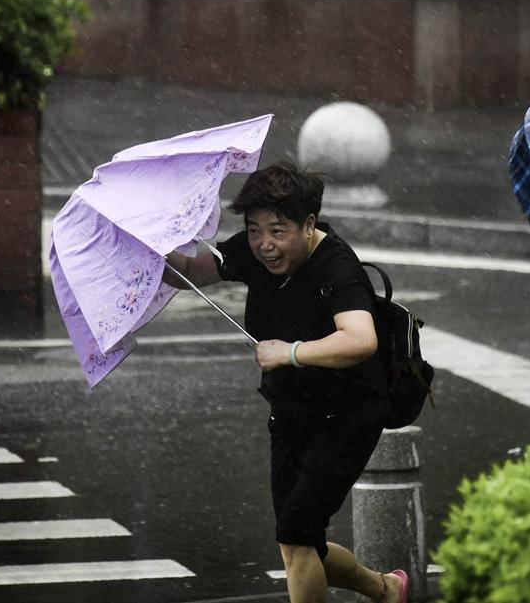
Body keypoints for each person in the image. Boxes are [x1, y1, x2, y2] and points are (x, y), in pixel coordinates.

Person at [162, 162, 409, 603]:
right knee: (297, 540)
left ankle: (386, 590)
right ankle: (386, 589)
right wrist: (146, 252)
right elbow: (192, 273)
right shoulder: (252, 252)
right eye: (254, 230)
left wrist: (290, 351)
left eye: (278, 231)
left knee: (295, 534)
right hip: (292, 412)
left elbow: (361, 338)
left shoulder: (336, 265)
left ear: (308, 224)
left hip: (348, 414)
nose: (264, 245)